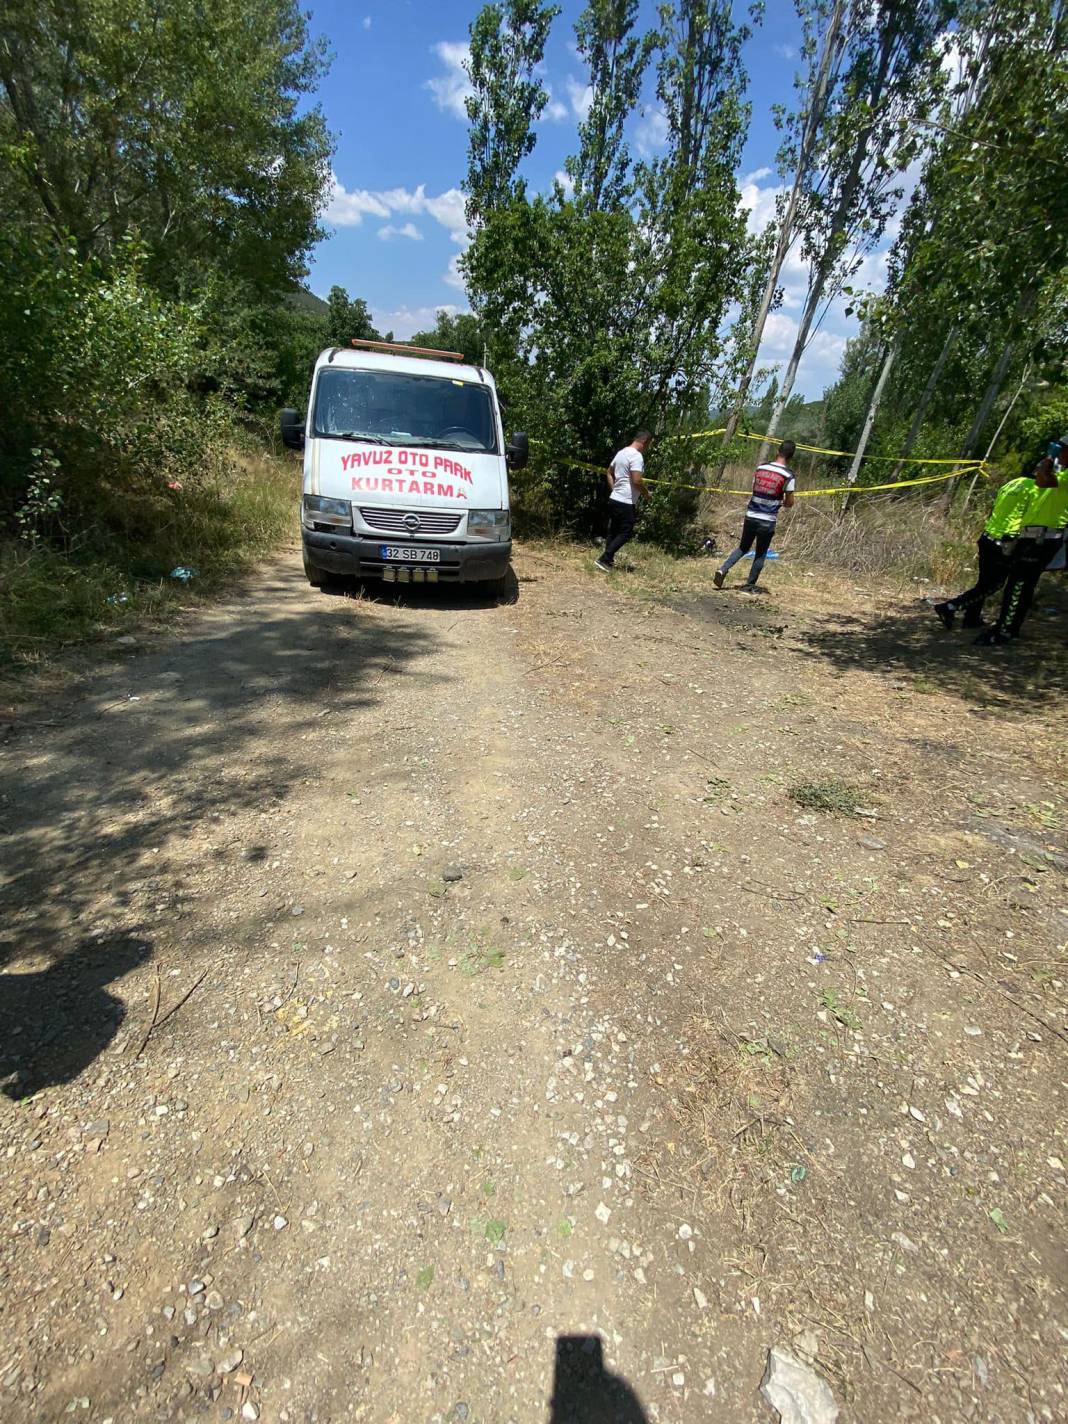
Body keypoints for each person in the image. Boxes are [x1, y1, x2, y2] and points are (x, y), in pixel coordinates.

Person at [977, 438, 1068, 645]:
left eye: (1063, 449)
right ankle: (1008, 627)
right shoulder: (1062, 474)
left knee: (1018, 583)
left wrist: (1049, 457)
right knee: (1020, 584)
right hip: (1034, 536)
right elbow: (1040, 481)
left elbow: (1044, 480)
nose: (1060, 453)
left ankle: (1005, 631)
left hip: (1044, 538)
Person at [930, 463, 1043, 629]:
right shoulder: (1036, 490)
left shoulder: (1012, 483)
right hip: (1005, 542)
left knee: (983, 583)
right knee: (993, 585)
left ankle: (971, 618)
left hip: (988, 536)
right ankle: (949, 607)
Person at [713, 440, 797, 593]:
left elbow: (755, 488)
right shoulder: (788, 475)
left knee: (743, 547)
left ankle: (723, 569)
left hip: (751, 515)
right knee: (760, 553)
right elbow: (790, 502)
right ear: (791, 456)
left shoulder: (761, 468)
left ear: (778, 451)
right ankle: (749, 586)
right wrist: (783, 502)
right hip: (767, 519)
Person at [595, 430, 651, 572]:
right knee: (626, 532)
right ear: (644, 442)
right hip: (626, 501)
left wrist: (614, 489)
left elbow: (609, 472)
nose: (648, 449)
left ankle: (607, 561)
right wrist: (646, 494)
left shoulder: (621, 452)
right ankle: (605, 558)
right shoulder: (636, 456)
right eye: (649, 445)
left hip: (615, 498)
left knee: (613, 530)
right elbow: (637, 480)